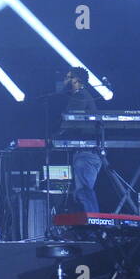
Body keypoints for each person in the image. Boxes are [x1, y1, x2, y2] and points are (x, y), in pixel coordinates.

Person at [56, 67, 101, 212]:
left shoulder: (80, 96)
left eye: (67, 77)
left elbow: (72, 120)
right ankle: (90, 225)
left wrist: (58, 134)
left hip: (86, 153)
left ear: (76, 80)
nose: (64, 80)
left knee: (84, 192)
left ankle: (93, 225)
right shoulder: (80, 95)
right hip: (85, 153)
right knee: (82, 192)